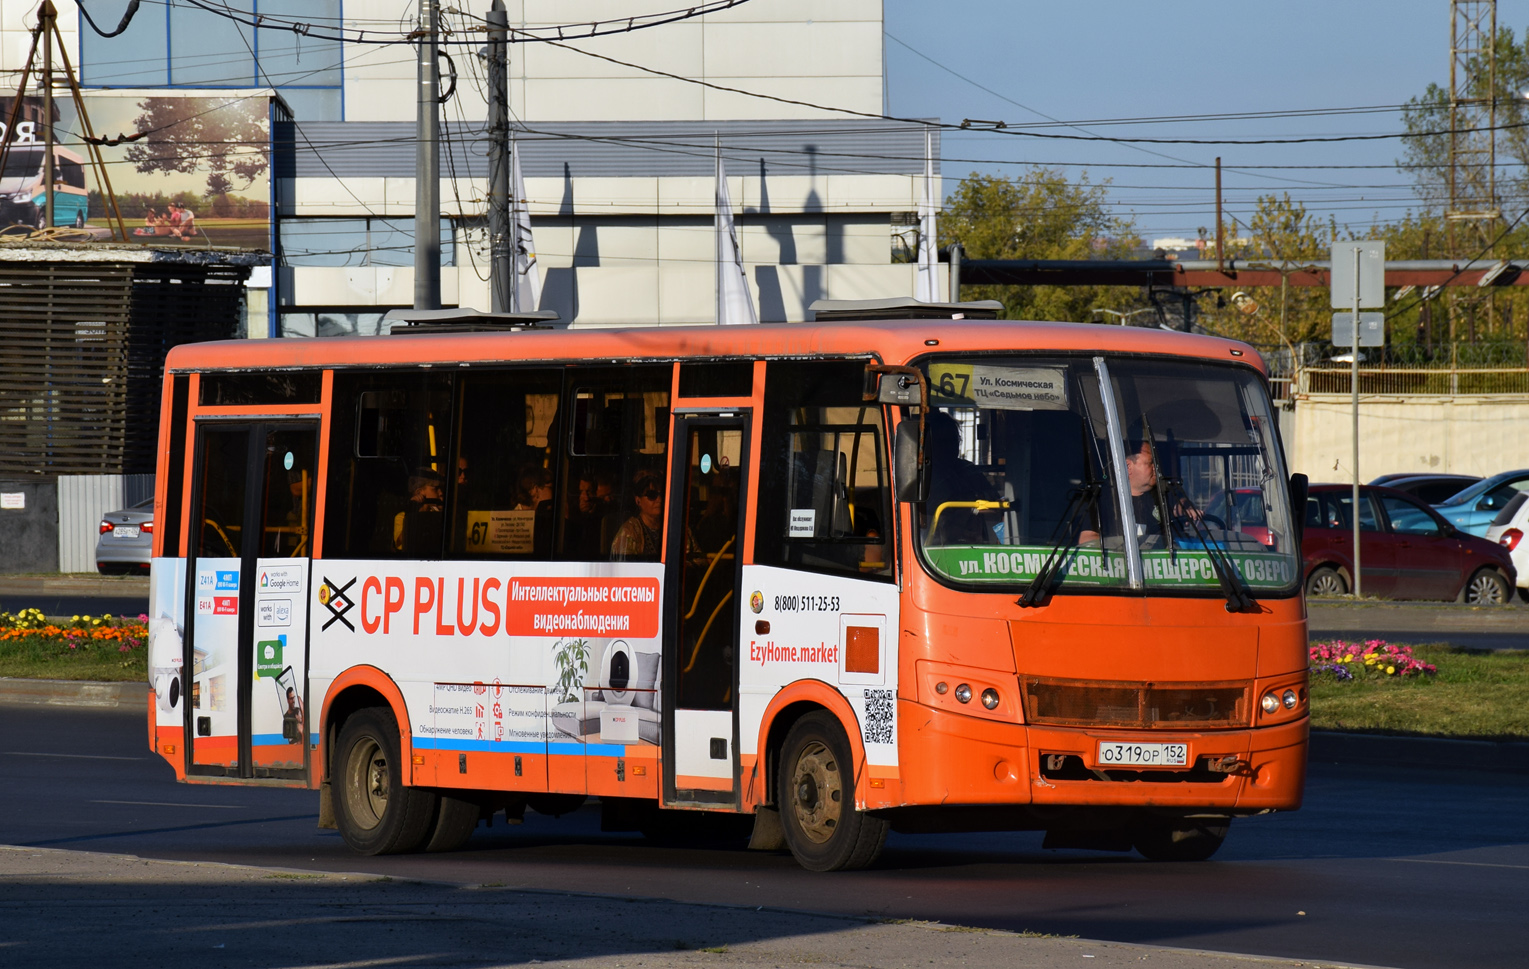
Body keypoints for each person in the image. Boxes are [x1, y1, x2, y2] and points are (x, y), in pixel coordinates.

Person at [922, 410, 1000, 545]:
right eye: (943, 441)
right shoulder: (923, 474)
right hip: (933, 546)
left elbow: (996, 503)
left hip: (974, 544)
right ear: (930, 443)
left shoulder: (968, 470)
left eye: (954, 440)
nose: (950, 446)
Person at [610, 470, 666, 560]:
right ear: (638, 500)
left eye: (662, 494)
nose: (659, 499)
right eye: (652, 495)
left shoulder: (673, 527)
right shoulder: (628, 533)